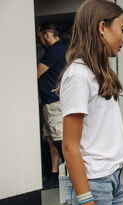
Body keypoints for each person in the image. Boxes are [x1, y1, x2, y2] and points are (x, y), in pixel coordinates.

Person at [59, 0, 123, 205]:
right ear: (102, 27)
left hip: (114, 179)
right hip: (93, 184)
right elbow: (70, 147)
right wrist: (86, 202)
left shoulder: (100, 72)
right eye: (122, 29)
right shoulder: (78, 76)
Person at [37, 21, 67, 189]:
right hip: (50, 103)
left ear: (47, 35)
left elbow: (35, 74)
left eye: (39, 36)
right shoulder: (60, 49)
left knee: (59, 140)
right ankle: (55, 174)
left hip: (54, 103)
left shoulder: (55, 51)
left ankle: (69, 177)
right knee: (50, 139)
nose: (40, 40)